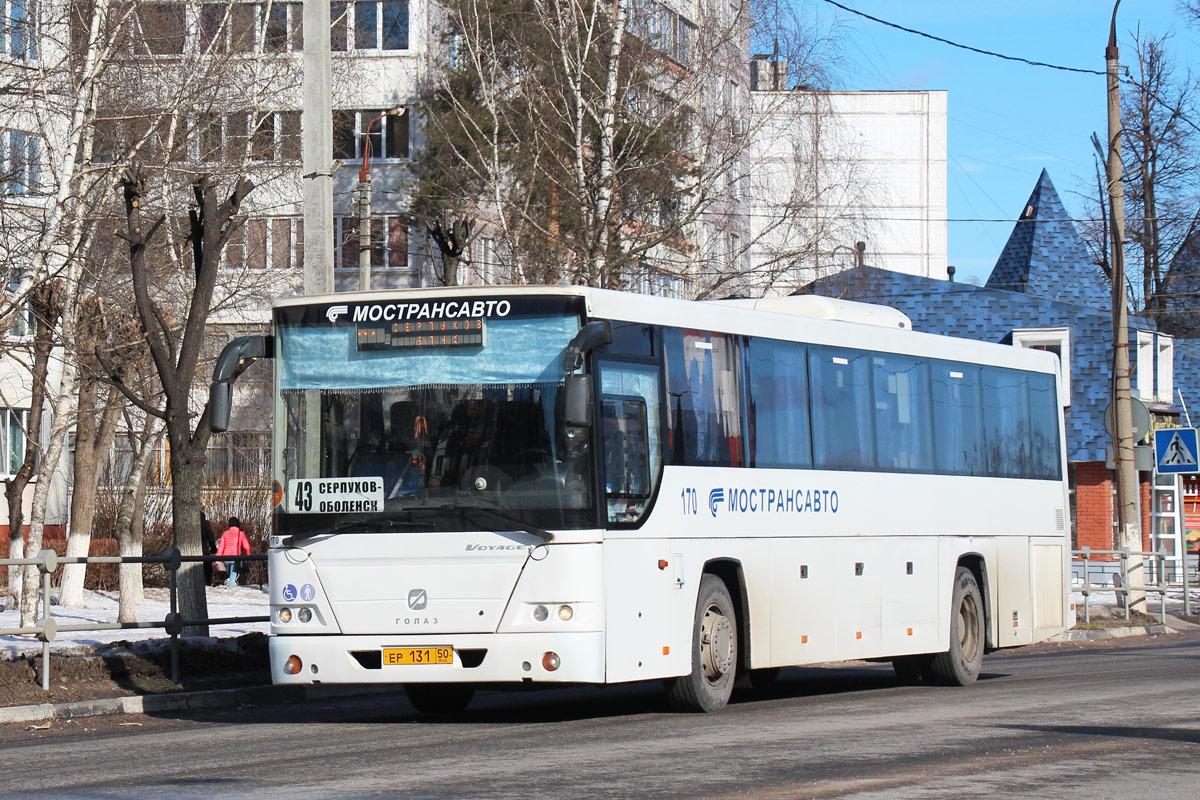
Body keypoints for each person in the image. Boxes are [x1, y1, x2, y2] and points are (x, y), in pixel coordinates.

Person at [216, 516, 251, 587]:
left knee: (230, 576)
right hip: (235, 558)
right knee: (232, 577)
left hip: (225, 558)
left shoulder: (225, 533)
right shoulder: (240, 534)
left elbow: (221, 547)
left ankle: (230, 589)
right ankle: (232, 592)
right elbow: (246, 547)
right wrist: (248, 556)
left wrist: (217, 559)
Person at [200, 511, 217, 585]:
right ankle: (207, 584)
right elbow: (211, 538)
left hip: (190, 552)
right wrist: (214, 549)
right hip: (204, 550)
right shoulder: (205, 524)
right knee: (207, 571)